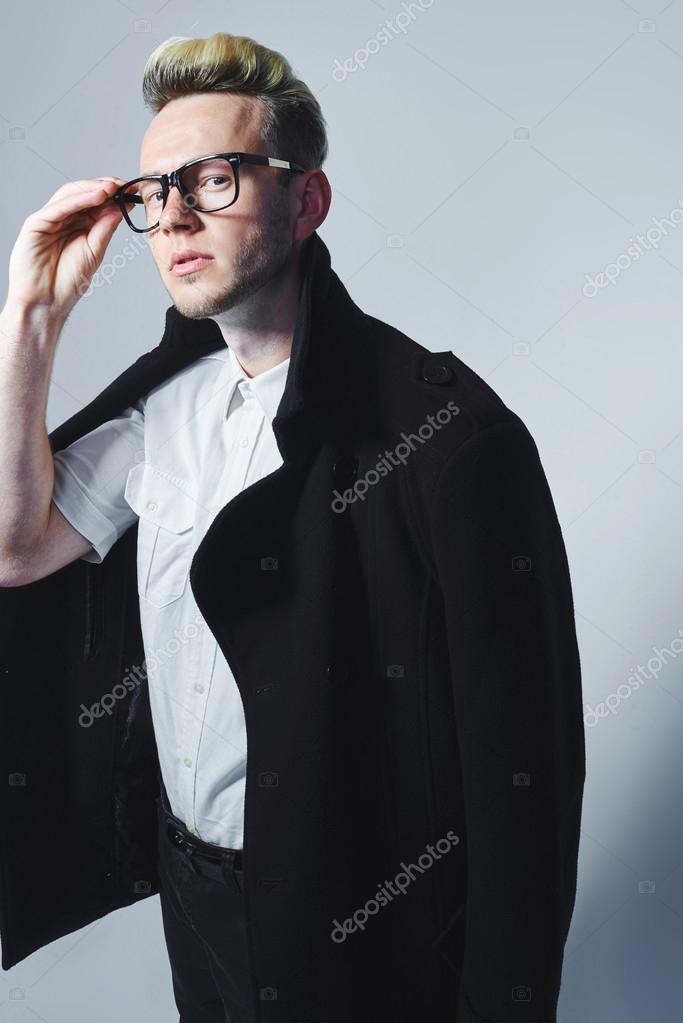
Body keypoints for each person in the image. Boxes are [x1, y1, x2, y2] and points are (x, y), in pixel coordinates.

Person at [0, 31, 585, 1023]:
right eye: (151, 193)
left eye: (214, 179)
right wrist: (32, 316)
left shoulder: (443, 432)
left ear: (305, 201)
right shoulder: (161, 412)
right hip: (193, 891)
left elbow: (522, 777)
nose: (175, 214)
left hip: (358, 921)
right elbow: (15, 551)